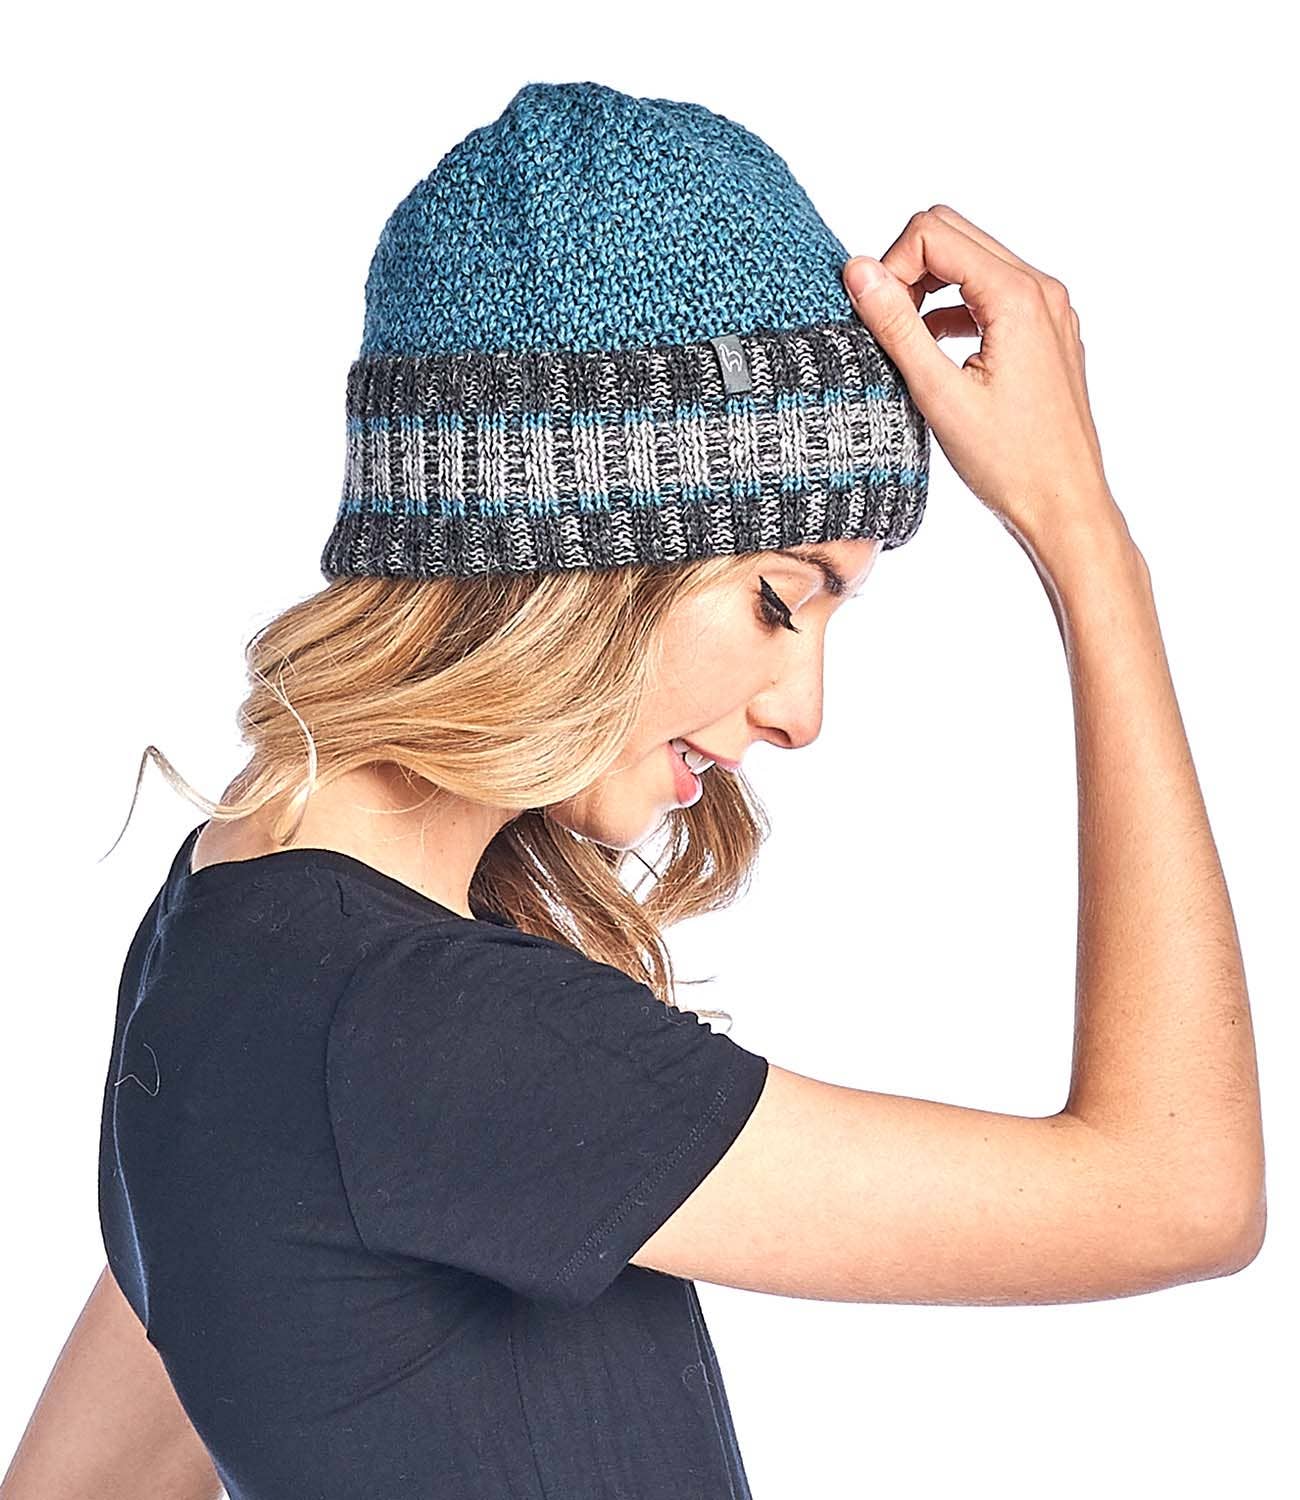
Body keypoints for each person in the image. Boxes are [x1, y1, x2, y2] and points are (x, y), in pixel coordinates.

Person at [2, 81, 1265, 1499]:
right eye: (783, 597)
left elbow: (75, 1487)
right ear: (579, 551)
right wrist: (1086, 542)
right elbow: (1180, 1194)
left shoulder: (223, 942)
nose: (802, 712)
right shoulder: (432, 1031)